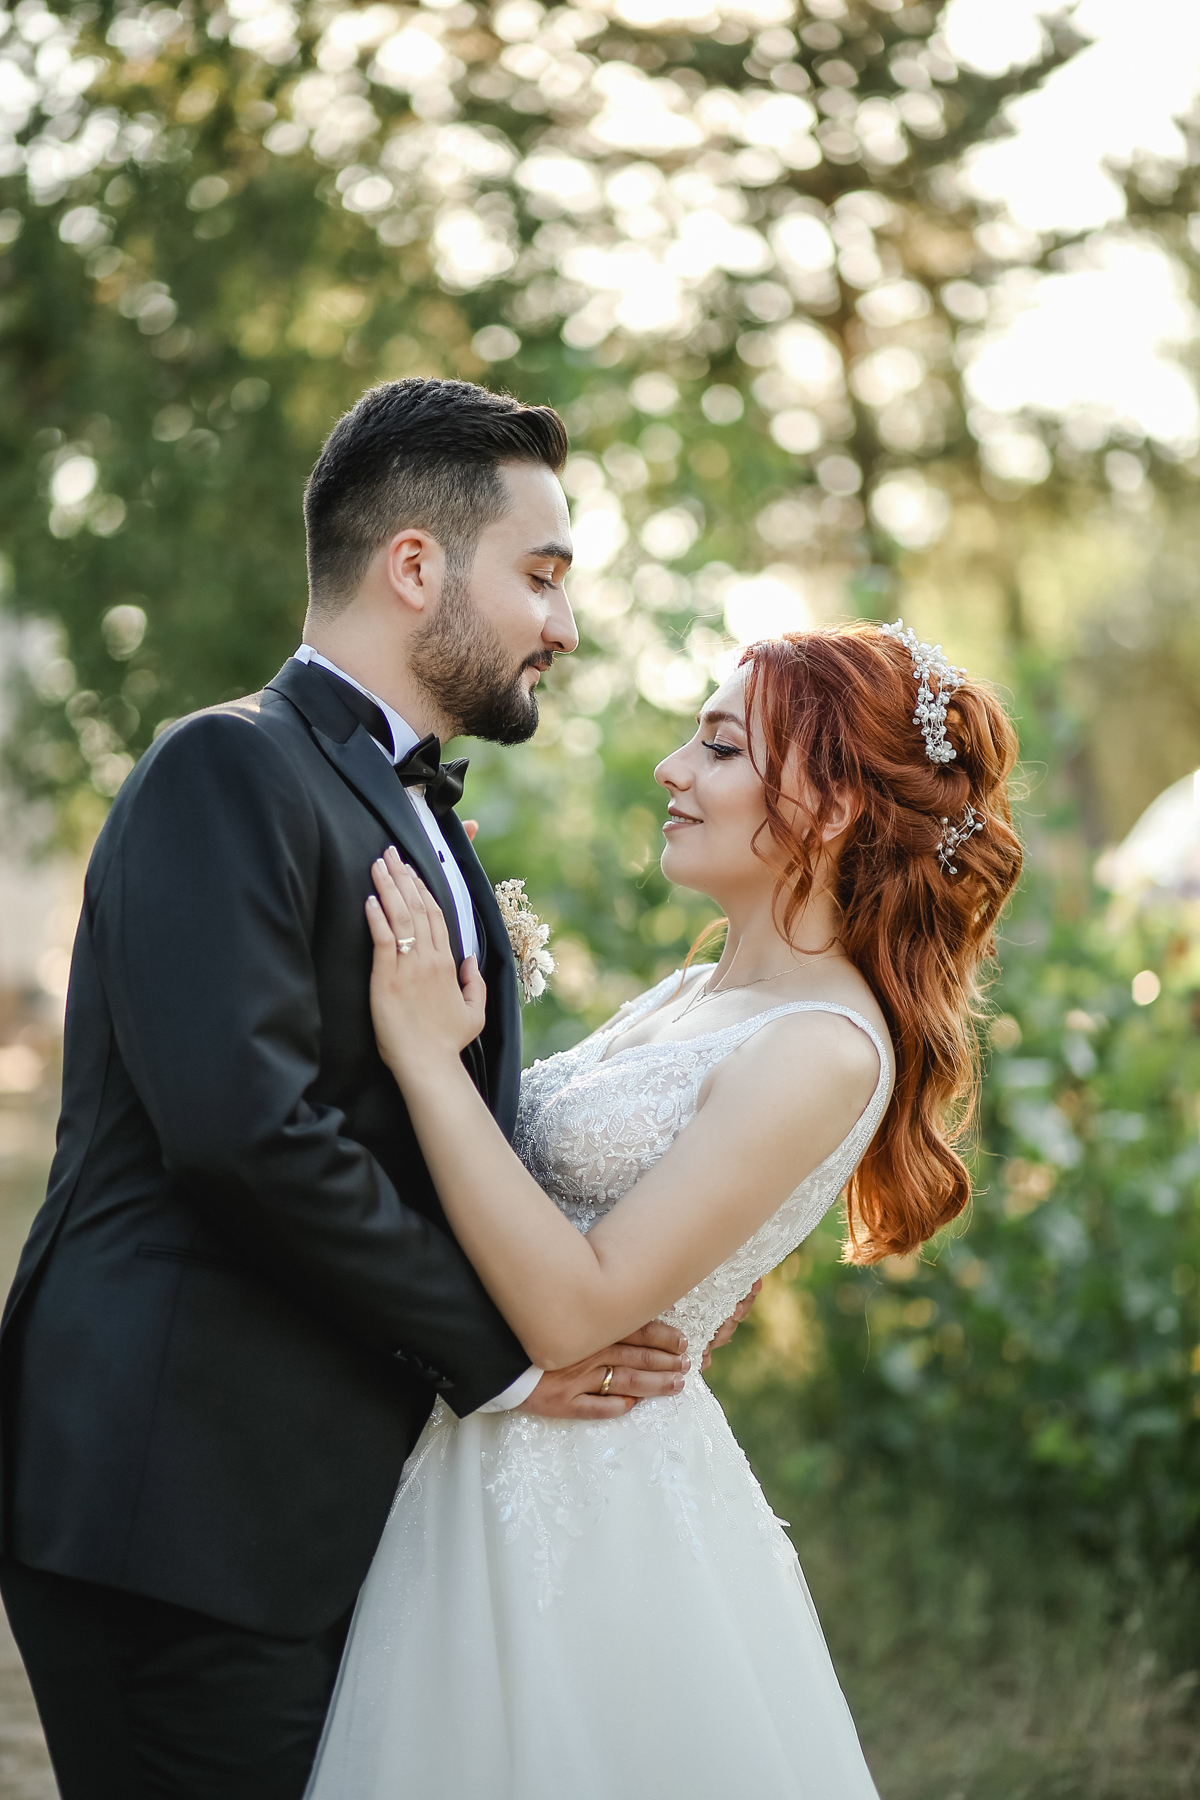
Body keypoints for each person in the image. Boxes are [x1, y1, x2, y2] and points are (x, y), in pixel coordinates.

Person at [0, 378, 751, 1799]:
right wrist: (523, 1353)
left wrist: (639, 1273)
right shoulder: (225, 768)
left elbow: (440, 1137)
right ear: (416, 565)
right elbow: (248, 1135)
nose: (566, 625)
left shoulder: (422, 819)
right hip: (181, 1497)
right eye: (541, 575)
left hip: (323, 1500)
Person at [304, 619, 1023, 1798]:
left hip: (589, 1506)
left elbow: (577, 1311)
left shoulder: (826, 1050)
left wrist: (432, 1063)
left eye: (721, 748)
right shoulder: (698, 990)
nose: (672, 772)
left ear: (834, 804)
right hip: (483, 1456)